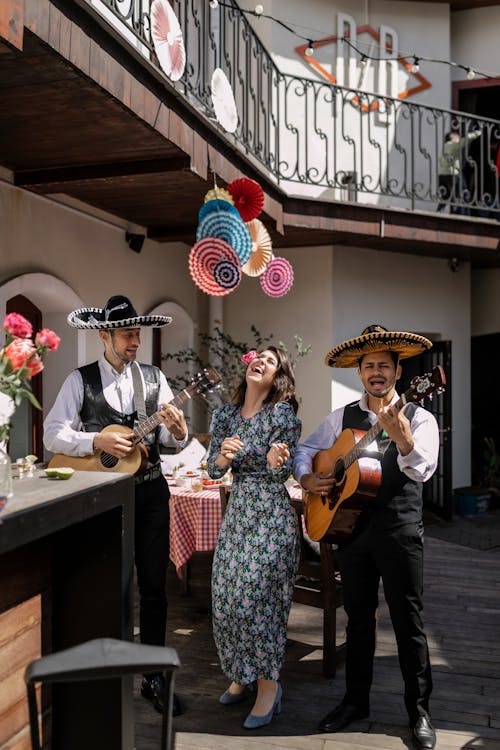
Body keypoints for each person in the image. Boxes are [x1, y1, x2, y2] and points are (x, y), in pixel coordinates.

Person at [294, 325, 440, 749]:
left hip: (399, 532)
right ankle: (356, 702)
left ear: (398, 371)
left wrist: (404, 440)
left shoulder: (419, 416)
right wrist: (308, 477)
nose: (377, 372)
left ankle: (419, 711)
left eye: (384, 365)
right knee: (357, 620)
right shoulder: (342, 417)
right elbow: (306, 449)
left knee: (407, 622)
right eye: (369, 366)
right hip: (352, 533)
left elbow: (422, 469)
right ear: (359, 373)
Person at [43, 295, 188, 717]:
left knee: (155, 587)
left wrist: (177, 431)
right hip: (102, 498)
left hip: (150, 493)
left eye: (138, 333)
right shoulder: (79, 381)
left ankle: (153, 677)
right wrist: (95, 440)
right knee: (106, 583)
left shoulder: (154, 378)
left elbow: (169, 442)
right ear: (104, 335)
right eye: (127, 333)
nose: (135, 341)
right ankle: (101, 675)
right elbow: (53, 435)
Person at [206, 346, 301, 729]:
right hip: (238, 514)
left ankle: (268, 686)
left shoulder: (281, 414)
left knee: (259, 604)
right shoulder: (225, 415)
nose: (260, 360)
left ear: (277, 377)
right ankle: (241, 674)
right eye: (258, 356)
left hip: (271, 518)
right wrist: (223, 460)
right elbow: (212, 469)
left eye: (271, 360)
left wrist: (278, 462)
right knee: (226, 598)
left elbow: (284, 469)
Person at [436, 127, 481, 214]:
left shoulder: (445, 148)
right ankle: (460, 214)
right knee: (460, 194)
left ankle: (438, 213)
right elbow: (464, 141)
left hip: (442, 175)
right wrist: (477, 133)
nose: (459, 138)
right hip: (452, 174)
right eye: (457, 137)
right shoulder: (451, 144)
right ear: (452, 138)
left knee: (445, 197)